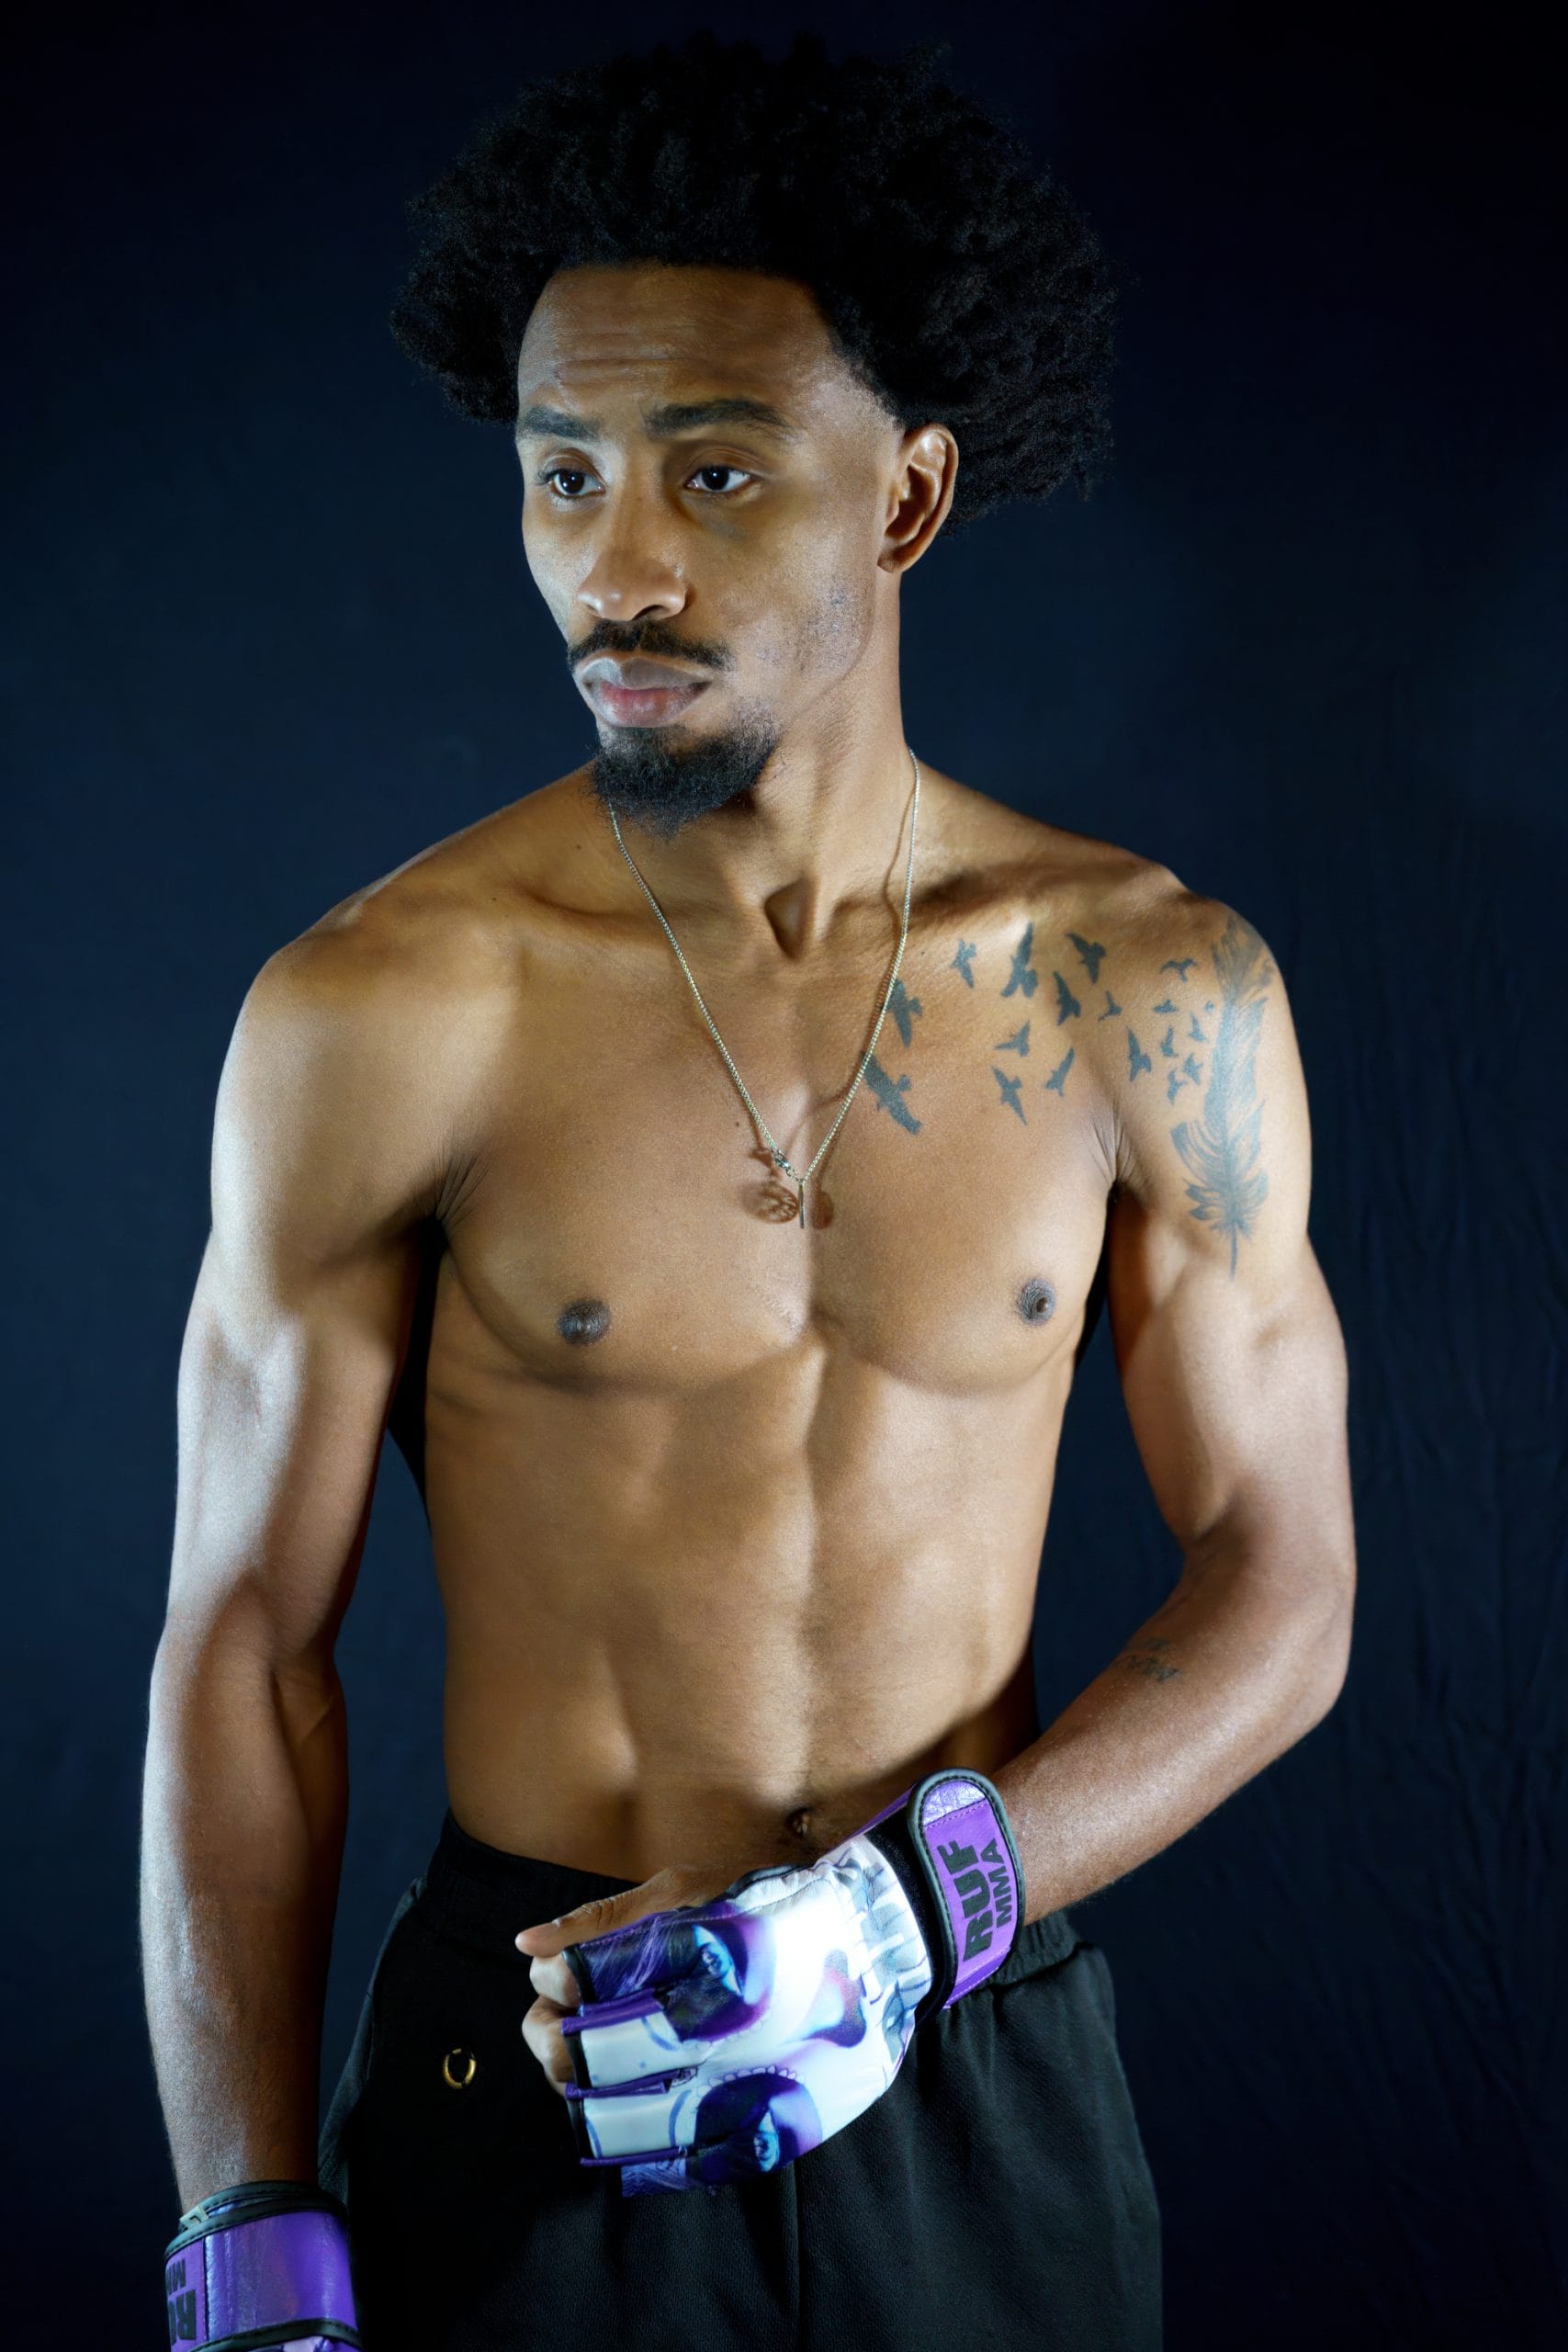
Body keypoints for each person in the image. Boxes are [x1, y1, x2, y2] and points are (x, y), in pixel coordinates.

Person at [141, 29, 1356, 2352]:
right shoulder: (384, 1006)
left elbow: (1282, 1580)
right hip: (530, 2060)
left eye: (713, 472)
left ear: (903, 499)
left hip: (970, 2050)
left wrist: (906, 1917)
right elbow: (245, 1647)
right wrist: (246, 2233)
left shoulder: (1144, 982)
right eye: (563, 475)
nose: (618, 566)